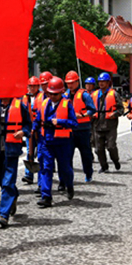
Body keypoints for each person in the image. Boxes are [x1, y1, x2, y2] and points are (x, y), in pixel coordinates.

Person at [0, 96, 32, 228]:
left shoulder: (19, 105)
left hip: (11, 148)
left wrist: (23, 132)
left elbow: (28, 123)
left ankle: (3, 215)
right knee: (0, 179)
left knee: (8, 181)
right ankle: (13, 195)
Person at [32, 76, 77, 207]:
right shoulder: (44, 103)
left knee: (64, 168)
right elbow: (38, 120)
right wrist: (33, 129)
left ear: (61, 92)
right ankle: (46, 196)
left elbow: (74, 123)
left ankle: (69, 185)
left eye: (55, 94)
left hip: (63, 142)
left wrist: (61, 122)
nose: (52, 96)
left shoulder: (67, 104)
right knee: (46, 167)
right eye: (49, 93)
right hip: (46, 141)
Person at [64, 71, 95, 183]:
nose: (70, 85)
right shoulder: (65, 95)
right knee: (67, 155)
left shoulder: (84, 95)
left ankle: (88, 173)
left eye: (72, 82)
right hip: (69, 130)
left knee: (85, 154)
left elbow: (92, 110)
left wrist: (82, 115)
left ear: (77, 82)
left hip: (83, 129)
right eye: (68, 83)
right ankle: (69, 177)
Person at [89, 72, 123, 173]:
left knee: (111, 146)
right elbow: (89, 108)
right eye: (100, 81)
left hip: (110, 124)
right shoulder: (94, 95)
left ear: (108, 83)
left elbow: (121, 109)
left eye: (103, 81)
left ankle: (115, 160)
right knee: (98, 148)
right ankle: (104, 166)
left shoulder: (114, 94)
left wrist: (115, 114)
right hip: (97, 123)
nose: (101, 83)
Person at [21, 76, 44, 185]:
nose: (32, 88)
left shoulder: (43, 97)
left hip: (39, 129)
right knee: (29, 152)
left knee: (40, 154)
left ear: (38, 86)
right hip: (29, 128)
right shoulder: (25, 98)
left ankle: (41, 181)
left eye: (34, 86)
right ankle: (28, 175)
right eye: (30, 86)